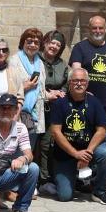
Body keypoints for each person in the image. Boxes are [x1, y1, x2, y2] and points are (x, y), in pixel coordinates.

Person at [48, 67, 106, 205]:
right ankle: (77, 180)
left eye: (83, 81)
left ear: (87, 83)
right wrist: (76, 154)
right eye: (75, 80)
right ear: (70, 83)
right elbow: (55, 132)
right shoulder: (60, 103)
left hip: (88, 149)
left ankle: (99, 190)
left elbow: (102, 130)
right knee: (65, 196)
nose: (79, 83)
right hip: (65, 154)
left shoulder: (95, 102)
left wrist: (87, 153)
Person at [68, 15, 106, 121]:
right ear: (89, 29)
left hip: (105, 104)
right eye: (94, 28)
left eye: (100, 28)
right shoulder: (80, 48)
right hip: (83, 102)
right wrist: (82, 93)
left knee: (102, 135)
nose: (97, 31)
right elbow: (76, 72)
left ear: (105, 29)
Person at [38, 29, 70, 193]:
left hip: (54, 110)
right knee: (30, 143)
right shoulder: (35, 60)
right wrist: (47, 93)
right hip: (36, 107)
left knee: (47, 144)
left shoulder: (62, 65)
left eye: (58, 44)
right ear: (45, 42)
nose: (54, 46)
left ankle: (44, 180)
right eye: (52, 42)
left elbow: (67, 82)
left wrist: (61, 93)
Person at [14, 28, 47, 151]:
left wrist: (50, 94)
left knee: (28, 153)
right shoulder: (14, 61)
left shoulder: (40, 63)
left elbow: (40, 90)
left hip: (35, 116)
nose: (32, 45)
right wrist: (24, 87)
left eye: (36, 42)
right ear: (23, 42)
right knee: (15, 153)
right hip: (18, 114)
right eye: (29, 41)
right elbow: (7, 88)